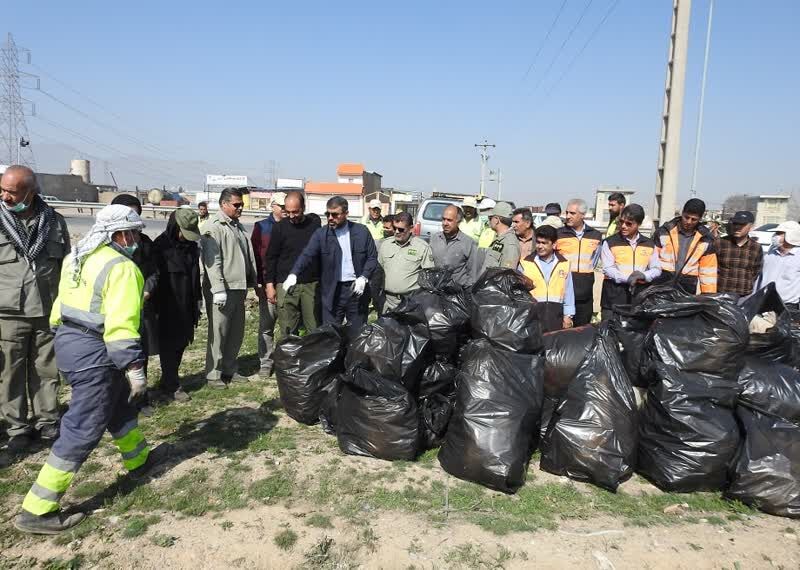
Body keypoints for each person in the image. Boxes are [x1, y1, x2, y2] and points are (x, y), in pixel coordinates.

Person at [14, 205, 168, 534]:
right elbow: (122, 325)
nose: (138, 240)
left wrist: (66, 338)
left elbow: (60, 306)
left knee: (118, 406)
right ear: (120, 234)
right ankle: (37, 508)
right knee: (83, 426)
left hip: (70, 341)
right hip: (97, 348)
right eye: (135, 233)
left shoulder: (76, 258)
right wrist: (135, 367)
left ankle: (138, 459)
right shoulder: (123, 268)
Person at [0, 166, 70, 453]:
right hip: (7, 312)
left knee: (46, 369)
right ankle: (17, 427)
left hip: (46, 308)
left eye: (12, 191)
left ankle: (47, 420)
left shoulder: (54, 222)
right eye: (2, 189)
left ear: (30, 192)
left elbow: (65, 266)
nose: (5, 196)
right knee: (10, 372)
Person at [287, 196, 378, 330]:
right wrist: (294, 273)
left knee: (357, 333)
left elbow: (372, 257)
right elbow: (307, 254)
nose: (330, 218)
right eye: (327, 214)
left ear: (346, 214)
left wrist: (364, 277)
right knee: (331, 335)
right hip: (333, 292)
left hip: (356, 291)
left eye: (335, 214)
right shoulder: (321, 235)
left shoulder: (361, 232)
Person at [201, 188, 257, 388]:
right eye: (236, 204)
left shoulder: (237, 226)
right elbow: (212, 260)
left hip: (238, 287)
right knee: (219, 332)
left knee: (235, 332)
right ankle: (213, 374)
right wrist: (218, 289)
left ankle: (229, 368)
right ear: (223, 204)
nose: (240, 207)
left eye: (241, 204)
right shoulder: (213, 227)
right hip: (223, 289)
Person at [151, 209, 202, 402]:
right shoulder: (160, 248)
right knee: (168, 346)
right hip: (167, 305)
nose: (185, 237)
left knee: (181, 343)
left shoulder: (191, 247)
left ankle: (168, 379)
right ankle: (171, 384)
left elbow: (195, 277)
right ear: (174, 227)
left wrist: (197, 300)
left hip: (187, 303)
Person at [110, 195, 160, 365]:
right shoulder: (103, 245)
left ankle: (142, 391)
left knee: (140, 354)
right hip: (112, 311)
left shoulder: (145, 243)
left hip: (140, 308)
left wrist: (147, 291)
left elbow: (153, 271)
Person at [265, 191, 321, 339]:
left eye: (295, 212)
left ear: (303, 207)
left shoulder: (315, 225)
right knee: (288, 330)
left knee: (314, 328)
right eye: (288, 212)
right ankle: (289, 361)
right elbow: (271, 257)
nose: (291, 216)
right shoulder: (279, 228)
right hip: (286, 284)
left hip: (311, 284)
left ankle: (312, 361)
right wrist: (270, 285)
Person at [600, 204, 661, 321]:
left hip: (639, 299)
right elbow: (608, 268)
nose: (623, 226)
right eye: (621, 222)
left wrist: (643, 275)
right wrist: (628, 278)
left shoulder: (649, 244)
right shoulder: (609, 242)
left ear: (639, 224)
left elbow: (656, 269)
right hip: (613, 300)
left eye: (629, 224)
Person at [250, 192, 285, 376]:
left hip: (286, 284)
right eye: (281, 206)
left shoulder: (292, 226)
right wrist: (258, 282)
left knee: (287, 326)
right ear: (273, 206)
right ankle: (266, 362)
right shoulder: (261, 227)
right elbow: (255, 256)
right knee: (267, 325)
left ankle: (286, 360)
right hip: (267, 283)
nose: (285, 210)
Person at [653, 198, 718, 294]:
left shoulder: (706, 239)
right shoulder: (663, 232)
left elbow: (708, 272)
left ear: (700, 219)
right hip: (661, 283)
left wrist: (708, 296)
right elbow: (651, 258)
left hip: (687, 287)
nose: (689, 222)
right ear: (682, 213)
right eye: (686, 217)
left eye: (693, 219)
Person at [519, 225, 575, 333]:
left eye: (544, 243)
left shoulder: (564, 264)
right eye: (538, 242)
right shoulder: (525, 264)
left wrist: (568, 316)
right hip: (532, 316)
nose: (540, 246)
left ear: (554, 245)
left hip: (556, 316)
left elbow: (569, 292)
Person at [555, 199, 602, 326]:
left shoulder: (595, 235)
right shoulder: (558, 234)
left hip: (585, 292)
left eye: (572, 213)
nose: (568, 216)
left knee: (582, 331)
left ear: (583, 215)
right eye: (567, 212)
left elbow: (594, 260)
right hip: (563, 290)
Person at [378, 212, 434, 311]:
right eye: (394, 228)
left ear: (411, 228)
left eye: (401, 229)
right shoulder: (386, 245)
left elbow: (429, 277)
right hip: (388, 302)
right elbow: (379, 271)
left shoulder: (422, 247)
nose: (396, 232)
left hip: (410, 302)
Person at [430, 205, 479, 289]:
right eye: (443, 219)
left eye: (449, 220)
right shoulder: (435, 238)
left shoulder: (468, 243)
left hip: (456, 294)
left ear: (458, 221)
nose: (445, 223)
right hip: (435, 291)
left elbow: (472, 274)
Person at [716, 211, 762, 297]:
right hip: (721, 295)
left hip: (744, 296)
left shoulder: (756, 247)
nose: (737, 227)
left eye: (742, 224)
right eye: (735, 223)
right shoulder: (720, 243)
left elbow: (756, 271)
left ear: (751, 226)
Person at [756, 221, 800, 309]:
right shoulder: (769, 254)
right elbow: (759, 278)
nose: (775, 236)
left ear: (791, 235)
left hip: (786, 307)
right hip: (763, 303)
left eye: (779, 233)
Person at [481, 201, 521, 272]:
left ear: (497, 220)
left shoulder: (510, 244)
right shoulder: (499, 239)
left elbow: (507, 275)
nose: (488, 221)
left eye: (490, 218)